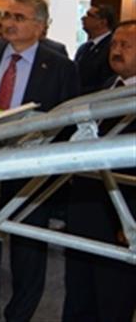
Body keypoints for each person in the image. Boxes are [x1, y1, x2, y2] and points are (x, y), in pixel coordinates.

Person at [0, 0, 79, 321]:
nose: (9, 23)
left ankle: (19, 315)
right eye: (7, 15)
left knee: (27, 252)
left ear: (40, 27)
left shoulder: (60, 67)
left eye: (19, 18)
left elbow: (68, 124)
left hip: (30, 175)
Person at [63, 19, 136, 322]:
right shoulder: (105, 88)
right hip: (85, 207)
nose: (116, 51)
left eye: (126, 45)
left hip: (123, 215)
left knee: (113, 298)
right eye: (114, 44)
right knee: (78, 294)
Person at [75, 4, 117, 94]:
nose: (83, 18)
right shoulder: (84, 47)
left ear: (102, 22)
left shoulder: (112, 46)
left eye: (89, 15)